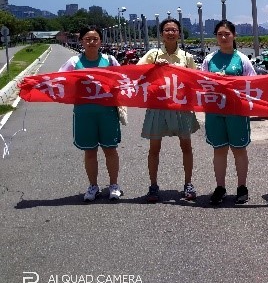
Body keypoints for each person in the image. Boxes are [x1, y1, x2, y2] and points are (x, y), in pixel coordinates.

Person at [137, 18, 200, 203]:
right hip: (158, 106)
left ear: (179, 33)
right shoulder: (153, 54)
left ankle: (188, 184)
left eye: (174, 30)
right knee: (154, 148)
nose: (170, 33)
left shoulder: (187, 57)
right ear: (161, 34)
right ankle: (153, 186)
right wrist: (153, 69)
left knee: (186, 147)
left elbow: (195, 80)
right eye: (167, 30)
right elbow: (138, 74)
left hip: (181, 107)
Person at [59, 25, 122, 202]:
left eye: (95, 39)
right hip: (84, 113)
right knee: (90, 151)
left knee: (110, 149)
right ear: (81, 42)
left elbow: (122, 80)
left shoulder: (110, 60)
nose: (91, 42)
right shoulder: (73, 62)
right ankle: (93, 186)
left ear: (100, 41)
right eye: (87, 39)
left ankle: (114, 185)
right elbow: (59, 80)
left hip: (107, 112)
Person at [200, 20, 257, 205]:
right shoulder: (209, 60)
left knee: (239, 149)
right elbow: (201, 84)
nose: (223, 38)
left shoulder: (242, 59)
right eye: (220, 34)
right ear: (216, 37)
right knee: (219, 149)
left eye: (227, 34)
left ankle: (242, 187)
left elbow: (253, 83)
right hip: (215, 111)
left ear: (234, 36)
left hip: (236, 111)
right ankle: (220, 187)